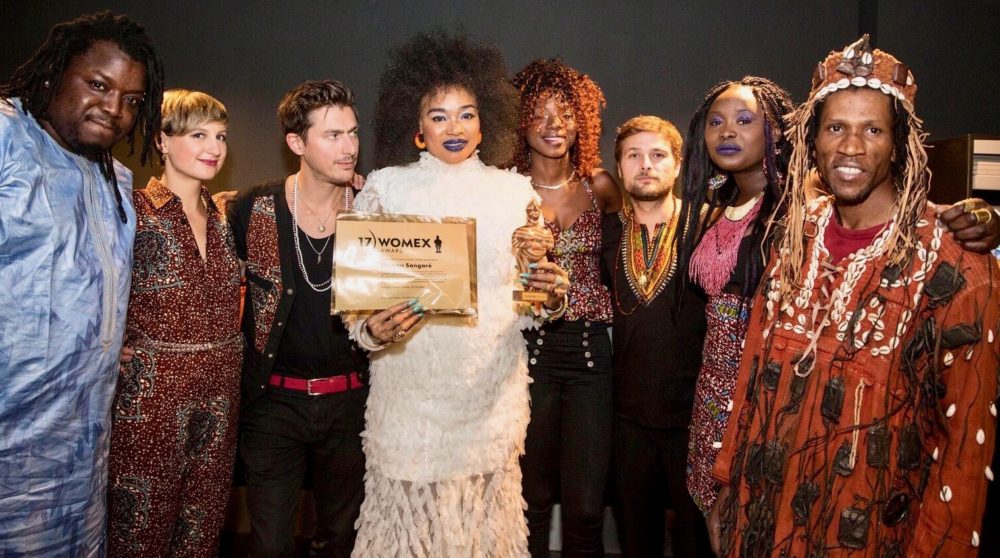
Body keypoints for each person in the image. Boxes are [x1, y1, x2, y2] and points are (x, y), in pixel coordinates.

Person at [709, 36, 1000, 557]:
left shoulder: (955, 265)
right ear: (813, 139)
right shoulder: (796, 235)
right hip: (760, 523)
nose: (851, 147)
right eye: (836, 127)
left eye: (873, 129)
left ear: (899, 144)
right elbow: (752, 367)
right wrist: (727, 485)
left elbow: (964, 450)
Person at [347, 31, 570, 557]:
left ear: (484, 123)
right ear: (417, 129)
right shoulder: (385, 187)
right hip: (409, 395)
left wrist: (551, 295)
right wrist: (369, 329)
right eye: (439, 116)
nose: (454, 127)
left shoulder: (514, 193)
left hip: (488, 398)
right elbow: (360, 299)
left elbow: (532, 302)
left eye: (466, 114)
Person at [0, 11, 163, 555]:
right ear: (54, 74)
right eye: (98, 85)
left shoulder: (114, 179)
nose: (115, 109)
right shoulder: (6, 140)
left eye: (132, 99)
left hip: (80, 461)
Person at [228, 80, 369, 558]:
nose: (349, 147)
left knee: (340, 541)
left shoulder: (373, 208)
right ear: (297, 143)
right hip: (274, 404)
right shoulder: (252, 208)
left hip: (350, 404)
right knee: (270, 545)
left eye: (353, 132)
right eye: (333, 135)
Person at [106, 89, 241, 556]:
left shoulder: (227, 215)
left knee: (202, 530)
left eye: (220, 136)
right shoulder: (130, 211)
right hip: (152, 400)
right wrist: (108, 343)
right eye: (198, 135)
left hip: (221, 397)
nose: (215, 147)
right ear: (162, 141)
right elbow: (89, 285)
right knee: (140, 531)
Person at [511, 58, 621, 557]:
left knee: (584, 507)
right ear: (521, 121)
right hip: (523, 354)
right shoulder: (505, 190)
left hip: (590, 357)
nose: (554, 125)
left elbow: (628, 264)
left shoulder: (601, 188)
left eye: (567, 114)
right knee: (530, 501)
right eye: (540, 112)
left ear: (583, 122)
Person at [675, 77, 796, 516]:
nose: (727, 132)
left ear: (774, 131)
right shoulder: (717, 210)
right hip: (711, 395)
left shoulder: (796, 208)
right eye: (716, 122)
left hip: (761, 400)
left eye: (745, 121)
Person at [600, 116, 712, 557]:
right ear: (620, 167)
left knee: (695, 543)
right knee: (637, 541)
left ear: (678, 164)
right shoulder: (607, 232)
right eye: (634, 155)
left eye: (657, 155)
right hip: (628, 421)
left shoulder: (709, 226)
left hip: (694, 421)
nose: (645, 165)